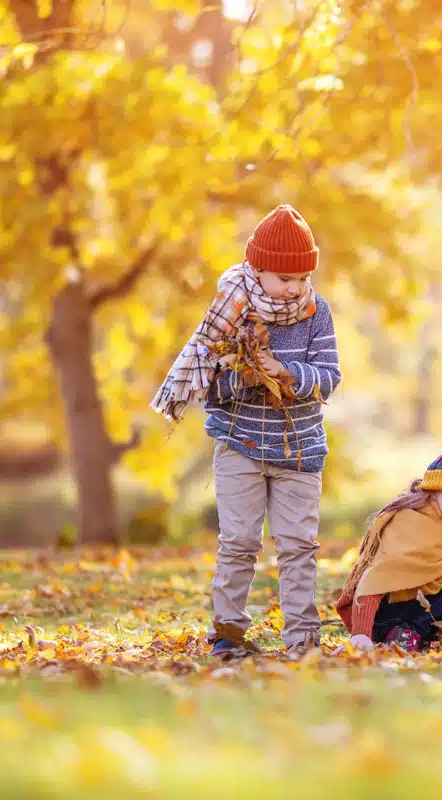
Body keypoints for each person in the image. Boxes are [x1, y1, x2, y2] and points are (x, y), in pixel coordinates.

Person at [151, 205, 340, 660]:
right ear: (256, 270)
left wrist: (287, 372)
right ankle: (229, 635)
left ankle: (302, 638)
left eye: (301, 278)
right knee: (239, 542)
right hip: (241, 444)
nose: (294, 288)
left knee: (298, 545)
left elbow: (329, 376)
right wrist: (247, 377)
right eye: (282, 278)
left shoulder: (317, 314)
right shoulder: (232, 311)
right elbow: (211, 385)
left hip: (299, 451)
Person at [335, 429, 442, 652]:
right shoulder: (409, 522)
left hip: (419, 616)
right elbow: (375, 580)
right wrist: (361, 635)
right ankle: (404, 635)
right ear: (436, 491)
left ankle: (415, 635)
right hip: (383, 618)